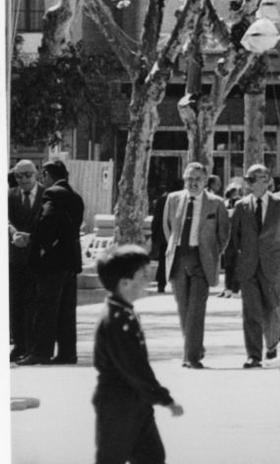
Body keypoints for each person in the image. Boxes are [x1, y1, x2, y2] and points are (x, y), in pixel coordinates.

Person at [93, 245, 184, 464]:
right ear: (124, 283)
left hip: (136, 402)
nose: (147, 281)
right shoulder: (116, 321)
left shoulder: (125, 313)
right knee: (112, 458)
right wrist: (164, 398)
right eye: (142, 276)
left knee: (152, 457)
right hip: (118, 404)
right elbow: (134, 367)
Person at [163, 162, 231, 368]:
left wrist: (212, 254)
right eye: (189, 179)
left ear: (205, 181)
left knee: (196, 309)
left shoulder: (216, 204)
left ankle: (191, 357)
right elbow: (168, 227)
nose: (193, 183)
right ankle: (194, 347)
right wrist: (173, 248)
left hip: (202, 260)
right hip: (178, 258)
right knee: (183, 309)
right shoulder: (173, 199)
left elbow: (223, 234)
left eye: (197, 180)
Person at [225, 164, 280, 368]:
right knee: (251, 311)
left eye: (264, 177)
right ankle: (253, 355)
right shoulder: (241, 206)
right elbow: (235, 238)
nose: (260, 181)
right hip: (248, 266)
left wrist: (273, 253)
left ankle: (271, 346)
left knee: (272, 308)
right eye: (255, 178)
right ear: (248, 183)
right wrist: (243, 258)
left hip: (271, 264)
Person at [19, 160, 84, 366]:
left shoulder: (52, 194)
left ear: (48, 174)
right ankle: (67, 353)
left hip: (52, 262)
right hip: (70, 259)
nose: (42, 179)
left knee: (46, 308)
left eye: (43, 175)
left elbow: (46, 221)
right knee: (66, 309)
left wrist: (38, 242)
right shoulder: (75, 197)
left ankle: (41, 352)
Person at [8, 160, 44, 362]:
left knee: (36, 304)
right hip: (16, 258)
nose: (23, 180)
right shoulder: (10, 195)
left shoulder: (46, 194)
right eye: (18, 176)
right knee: (16, 303)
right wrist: (13, 233)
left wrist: (31, 237)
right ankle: (19, 344)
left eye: (27, 175)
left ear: (36, 174)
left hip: (38, 258)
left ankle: (33, 345)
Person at [149, 185, 170, 293]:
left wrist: (154, 235)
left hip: (163, 235)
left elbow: (156, 219)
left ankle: (161, 283)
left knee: (163, 260)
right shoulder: (182, 199)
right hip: (176, 235)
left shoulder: (161, 200)